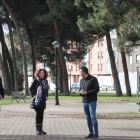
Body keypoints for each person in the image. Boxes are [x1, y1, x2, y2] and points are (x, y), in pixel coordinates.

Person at [79, 66, 99, 139]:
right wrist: (80, 92)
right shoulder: (81, 80)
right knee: (88, 118)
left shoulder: (93, 79)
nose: (79, 73)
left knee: (93, 117)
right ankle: (91, 133)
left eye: (80, 71)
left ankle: (96, 134)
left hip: (92, 101)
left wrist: (87, 93)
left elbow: (97, 90)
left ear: (84, 72)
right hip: (84, 102)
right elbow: (80, 90)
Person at [29, 69, 49, 135]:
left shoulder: (45, 81)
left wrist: (46, 97)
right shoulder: (35, 80)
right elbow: (30, 89)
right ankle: (37, 130)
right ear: (38, 74)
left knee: (41, 115)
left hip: (43, 100)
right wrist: (34, 96)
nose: (41, 74)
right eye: (40, 73)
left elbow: (46, 90)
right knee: (38, 114)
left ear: (44, 74)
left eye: (43, 73)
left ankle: (41, 129)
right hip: (37, 101)